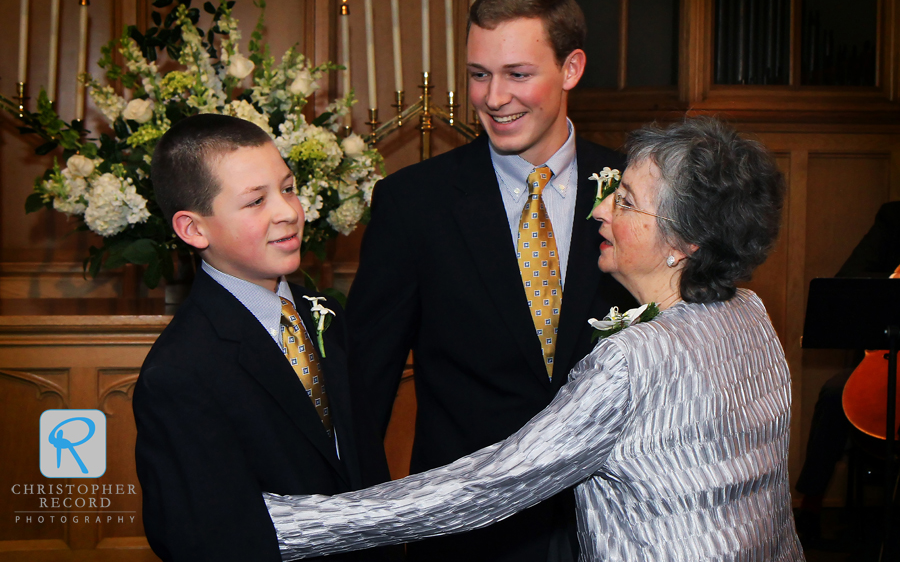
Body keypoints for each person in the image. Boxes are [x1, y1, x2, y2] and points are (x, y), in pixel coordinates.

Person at [264, 117, 805, 562]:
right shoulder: (747, 314)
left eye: (626, 201)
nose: (599, 209)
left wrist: (287, 523)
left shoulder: (632, 359)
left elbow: (485, 488)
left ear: (684, 241)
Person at [345, 0, 633, 562]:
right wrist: (362, 529)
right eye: (479, 74)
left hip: (617, 516)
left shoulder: (637, 190)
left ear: (571, 68)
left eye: (517, 74)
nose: (493, 97)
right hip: (467, 530)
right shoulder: (413, 204)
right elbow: (364, 386)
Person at [132, 115, 389, 562]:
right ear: (194, 229)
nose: (288, 211)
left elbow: (362, 460)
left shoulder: (322, 314)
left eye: (288, 188)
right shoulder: (179, 373)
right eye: (255, 201)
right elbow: (201, 536)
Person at [794, 200, 900, 544]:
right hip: (889, 356)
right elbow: (849, 277)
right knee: (835, 393)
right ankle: (810, 504)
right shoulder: (895, 218)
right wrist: (894, 279)